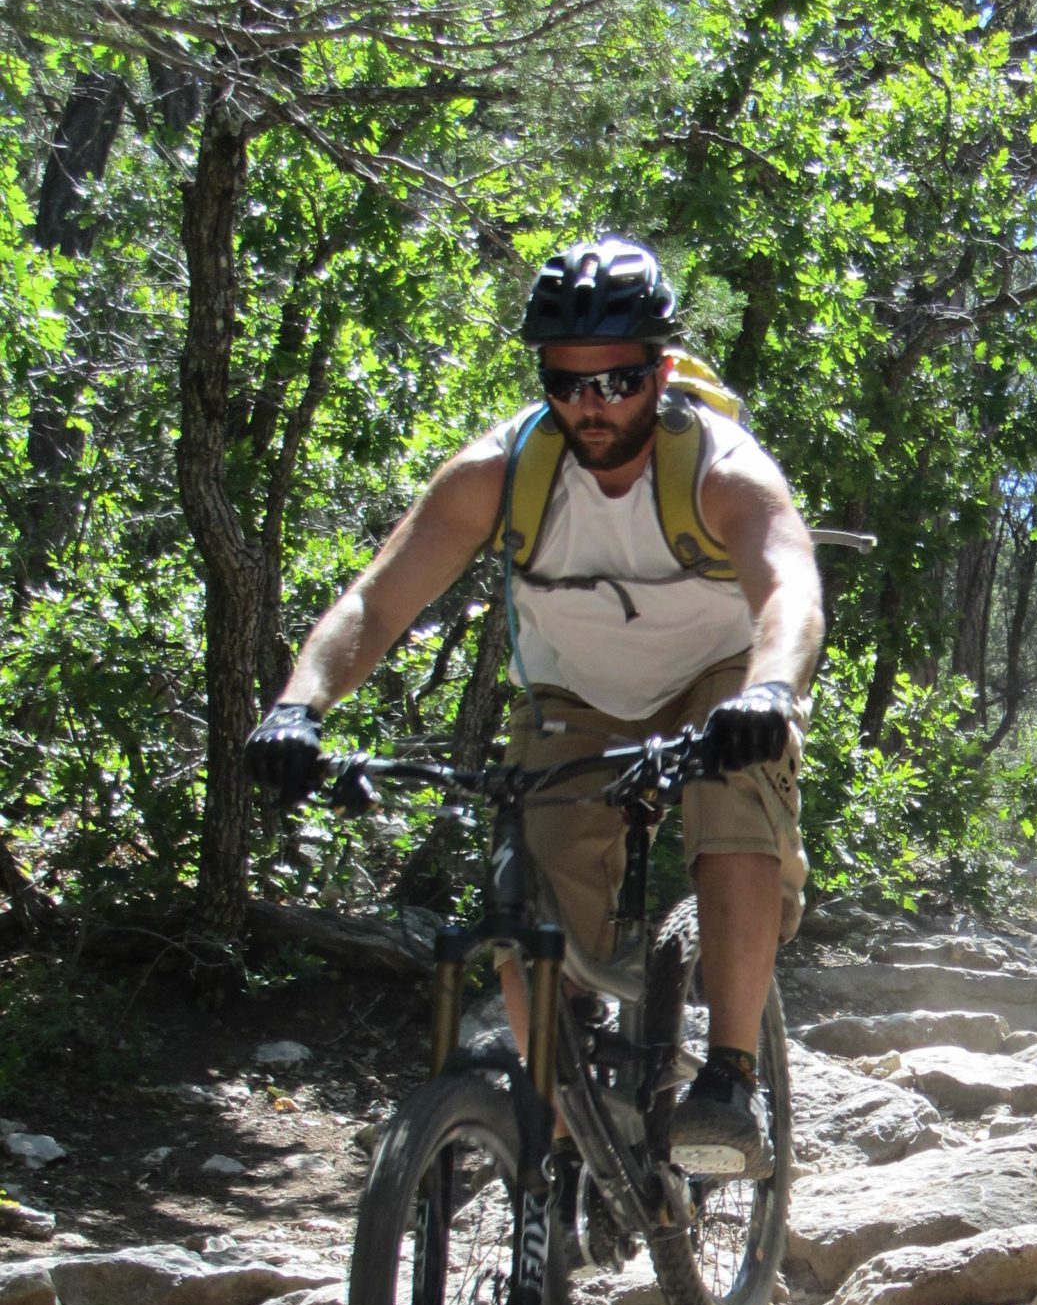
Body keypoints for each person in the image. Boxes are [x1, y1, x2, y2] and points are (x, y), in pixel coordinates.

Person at [244, 234, 822, 1181]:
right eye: (566, 383)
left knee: (733, 807)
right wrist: (297, 706)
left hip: (719, 678)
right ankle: (561, 1142)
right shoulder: (502, 472)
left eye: (619, 382)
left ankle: (728, 1078)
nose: (591, 407)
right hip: (576, 696)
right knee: (525, 909)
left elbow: (789, 589)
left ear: (663, 370)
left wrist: (767, 693)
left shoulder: (721, 467)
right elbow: (375, 602)